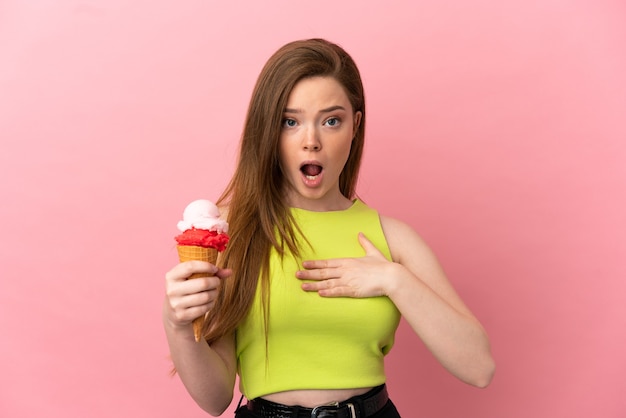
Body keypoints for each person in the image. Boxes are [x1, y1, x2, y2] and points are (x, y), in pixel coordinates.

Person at [163, 38, 495, 418]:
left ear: (354, 126)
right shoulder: (235, 232)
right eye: (291, 122)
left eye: (331, 121)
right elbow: (215, 397)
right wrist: (176, 324)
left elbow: (479, 367)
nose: (311, 142)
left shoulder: (393, 239)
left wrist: (393, 280)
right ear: (268, 130)